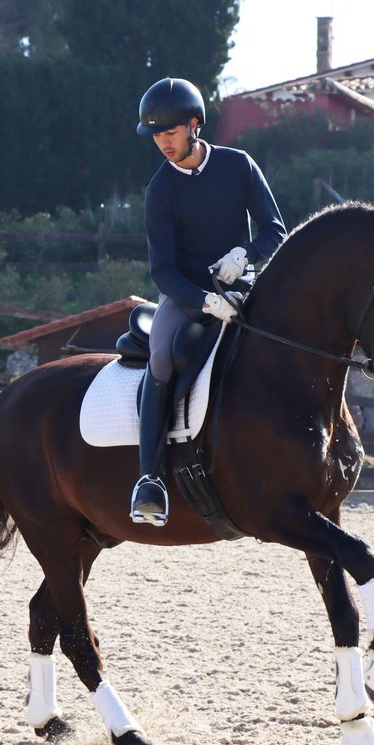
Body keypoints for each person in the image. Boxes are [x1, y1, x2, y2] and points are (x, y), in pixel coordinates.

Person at [130, 76, 286, 526]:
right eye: (156, 134)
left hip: (243, 285)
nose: (163, 141)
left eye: (170, 131)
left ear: (194, 124)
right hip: (185, 296)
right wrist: (202, 300)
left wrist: (246, 254)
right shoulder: (160, 190)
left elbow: (276, 230)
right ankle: (149, 479)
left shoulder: (238, 166)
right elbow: (162, 270)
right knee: (161, 358)